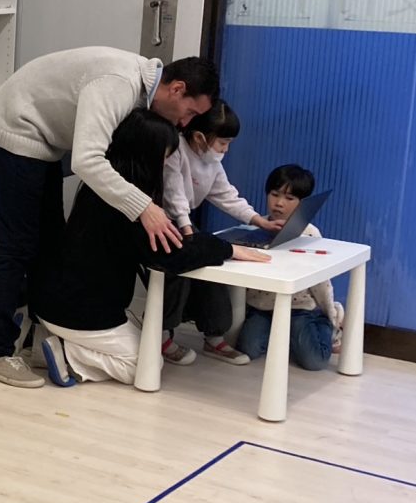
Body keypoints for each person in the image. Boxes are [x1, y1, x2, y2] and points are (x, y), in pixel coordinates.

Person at [0, 47, 221, 388]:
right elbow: (87, 161)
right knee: (19, 246)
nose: (186, 122)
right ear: (177, 89)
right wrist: (144, 207)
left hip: (45, 140)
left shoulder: (140, 93)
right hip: (17, 127)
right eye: (190, 112)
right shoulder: (118, 84)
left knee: (50, 239)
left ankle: (37, 337)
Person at [29, 108, 271, 387]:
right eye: (164, 158)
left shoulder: (104, 187)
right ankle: (66, 353)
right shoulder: (133, 206)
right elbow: (172, 254)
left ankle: (54, 339)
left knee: (145, 339)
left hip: (58, 298)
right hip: (76, 310)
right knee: (145, 365)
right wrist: (228, 250)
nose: (166, 167)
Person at [159, 100, 284, 366]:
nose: (225, 150)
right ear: (199, 137)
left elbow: (226, 195)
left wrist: (259, 221)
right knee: (177, 273)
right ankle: (162, 335)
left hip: (185, 223)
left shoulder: (212, 162)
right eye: (223, 143)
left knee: (214, 264)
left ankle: (215, 335)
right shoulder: (176, 150)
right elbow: (174, 196)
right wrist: (189, 236)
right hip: (165, 221)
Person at [236, 164, 343, 371]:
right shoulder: (255, 227)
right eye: (274, 194)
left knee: (314, 361)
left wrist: (330, 314)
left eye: (289, 198)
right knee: (248, 349)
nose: (279, 203)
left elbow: (321, 282)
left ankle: (324, 325)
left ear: (302, 203)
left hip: (299, 308)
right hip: (262, 307)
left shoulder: (310, 234)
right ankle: (285, 336)